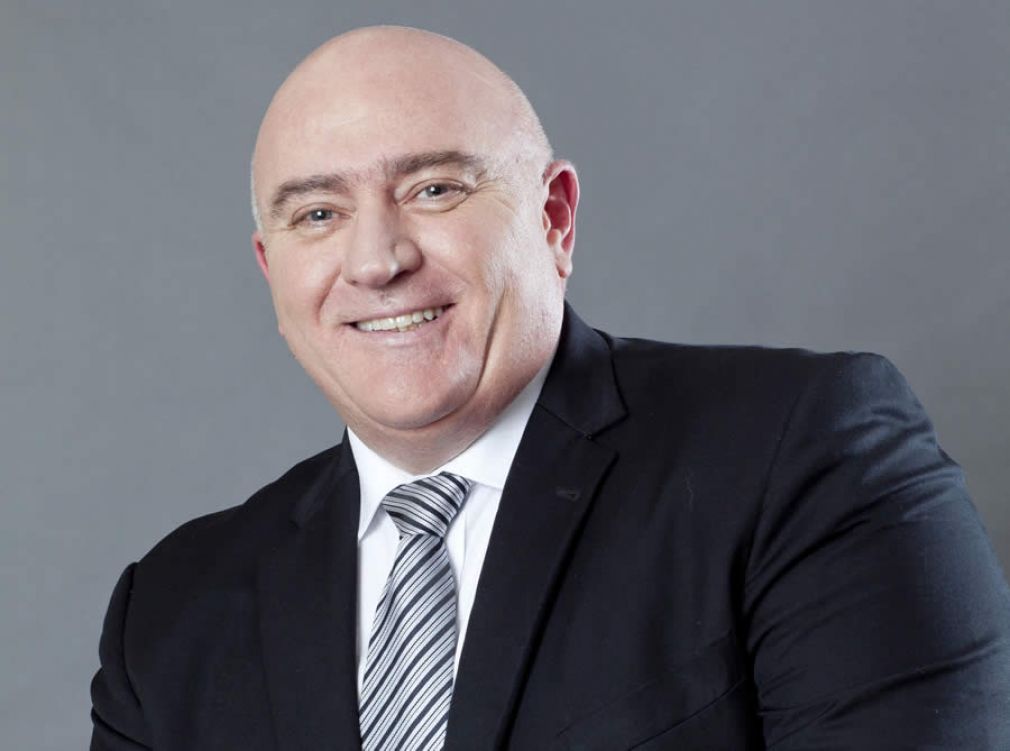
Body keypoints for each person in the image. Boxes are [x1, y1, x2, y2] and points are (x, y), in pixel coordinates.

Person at [90, 25, 1010, 750]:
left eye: (434, 190)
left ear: (555, 218)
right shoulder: (167, 616)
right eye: (318, 213)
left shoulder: (800, 453)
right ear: (271, 269)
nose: (375, 260)